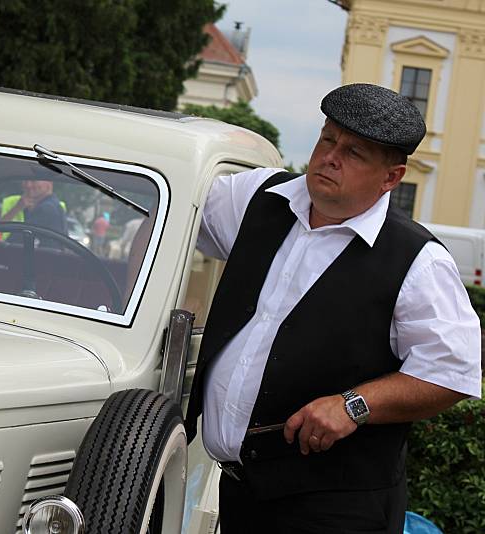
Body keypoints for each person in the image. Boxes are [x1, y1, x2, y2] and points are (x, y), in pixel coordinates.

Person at [185, 83, 482, 533]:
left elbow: (452, 371)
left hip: (339, 511)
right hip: (240, 490)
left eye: (355, 153)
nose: (330, 157)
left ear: (391, 178)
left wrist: (353, 405)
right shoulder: (256, 198)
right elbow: (169, 225)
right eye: (328, 139)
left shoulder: (418, 260)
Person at [0, 179, 67, 247]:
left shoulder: (47, 208)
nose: (28, 185)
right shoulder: (51, 205)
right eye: (25, 180)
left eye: (34, 181)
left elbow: (14, 241)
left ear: (49, 182)